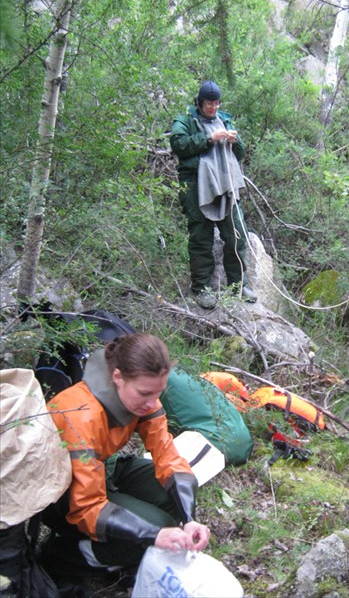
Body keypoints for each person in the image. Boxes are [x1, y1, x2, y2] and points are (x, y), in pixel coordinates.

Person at [41, 333, 210, 588]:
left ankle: (119, 551)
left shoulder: (141, 396)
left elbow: (167, 455)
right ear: (117, 377)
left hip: (105, 470)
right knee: (158, 526)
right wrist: (154, 534)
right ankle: (64, 556)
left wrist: (190, 518)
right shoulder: (81, 415)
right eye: (144, 393)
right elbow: (86, 506)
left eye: (158, 392)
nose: (153, 402)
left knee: (178, 492)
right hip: (61, 495)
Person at [170, 80, 257, 309]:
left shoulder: (225, 119)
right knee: (201, 238)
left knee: (237, 234)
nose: (214, 108)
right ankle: (202, 290)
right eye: (210, 103)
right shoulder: (185, 121)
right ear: (200, 102)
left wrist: (234, 142)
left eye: (217, 103)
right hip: (196, 186)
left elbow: (241, 153)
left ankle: (239, 285)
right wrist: (209, 138)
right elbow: (179, 145)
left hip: (226, 186)